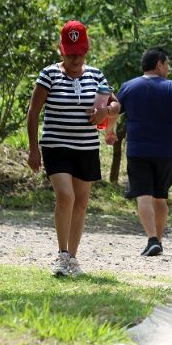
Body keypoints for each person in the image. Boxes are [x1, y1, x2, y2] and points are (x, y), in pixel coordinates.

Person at [27, 20, 120, 277]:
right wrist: (33, 149)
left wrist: (105, 111)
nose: (76, 58)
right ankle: (61, 254)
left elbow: (116, 105)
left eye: (80, 52)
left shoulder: (96, 75)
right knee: (65, 196)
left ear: (87, 49)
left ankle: (73, 259)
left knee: (80, 202)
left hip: (86, 146)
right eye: (71, 53)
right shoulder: (49, 74)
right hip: (56, 144)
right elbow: (33, 112)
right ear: (61, 50)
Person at [106, 47, 172, 256]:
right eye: (167, 64)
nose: (168, 69)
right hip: (166, 152)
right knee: (160, 197)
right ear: (159, 64)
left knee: (143, 196)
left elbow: (114, 109)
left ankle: (152, 239)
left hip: (138, 151)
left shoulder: (128, 87)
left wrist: (110, 131)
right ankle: (157, 240)